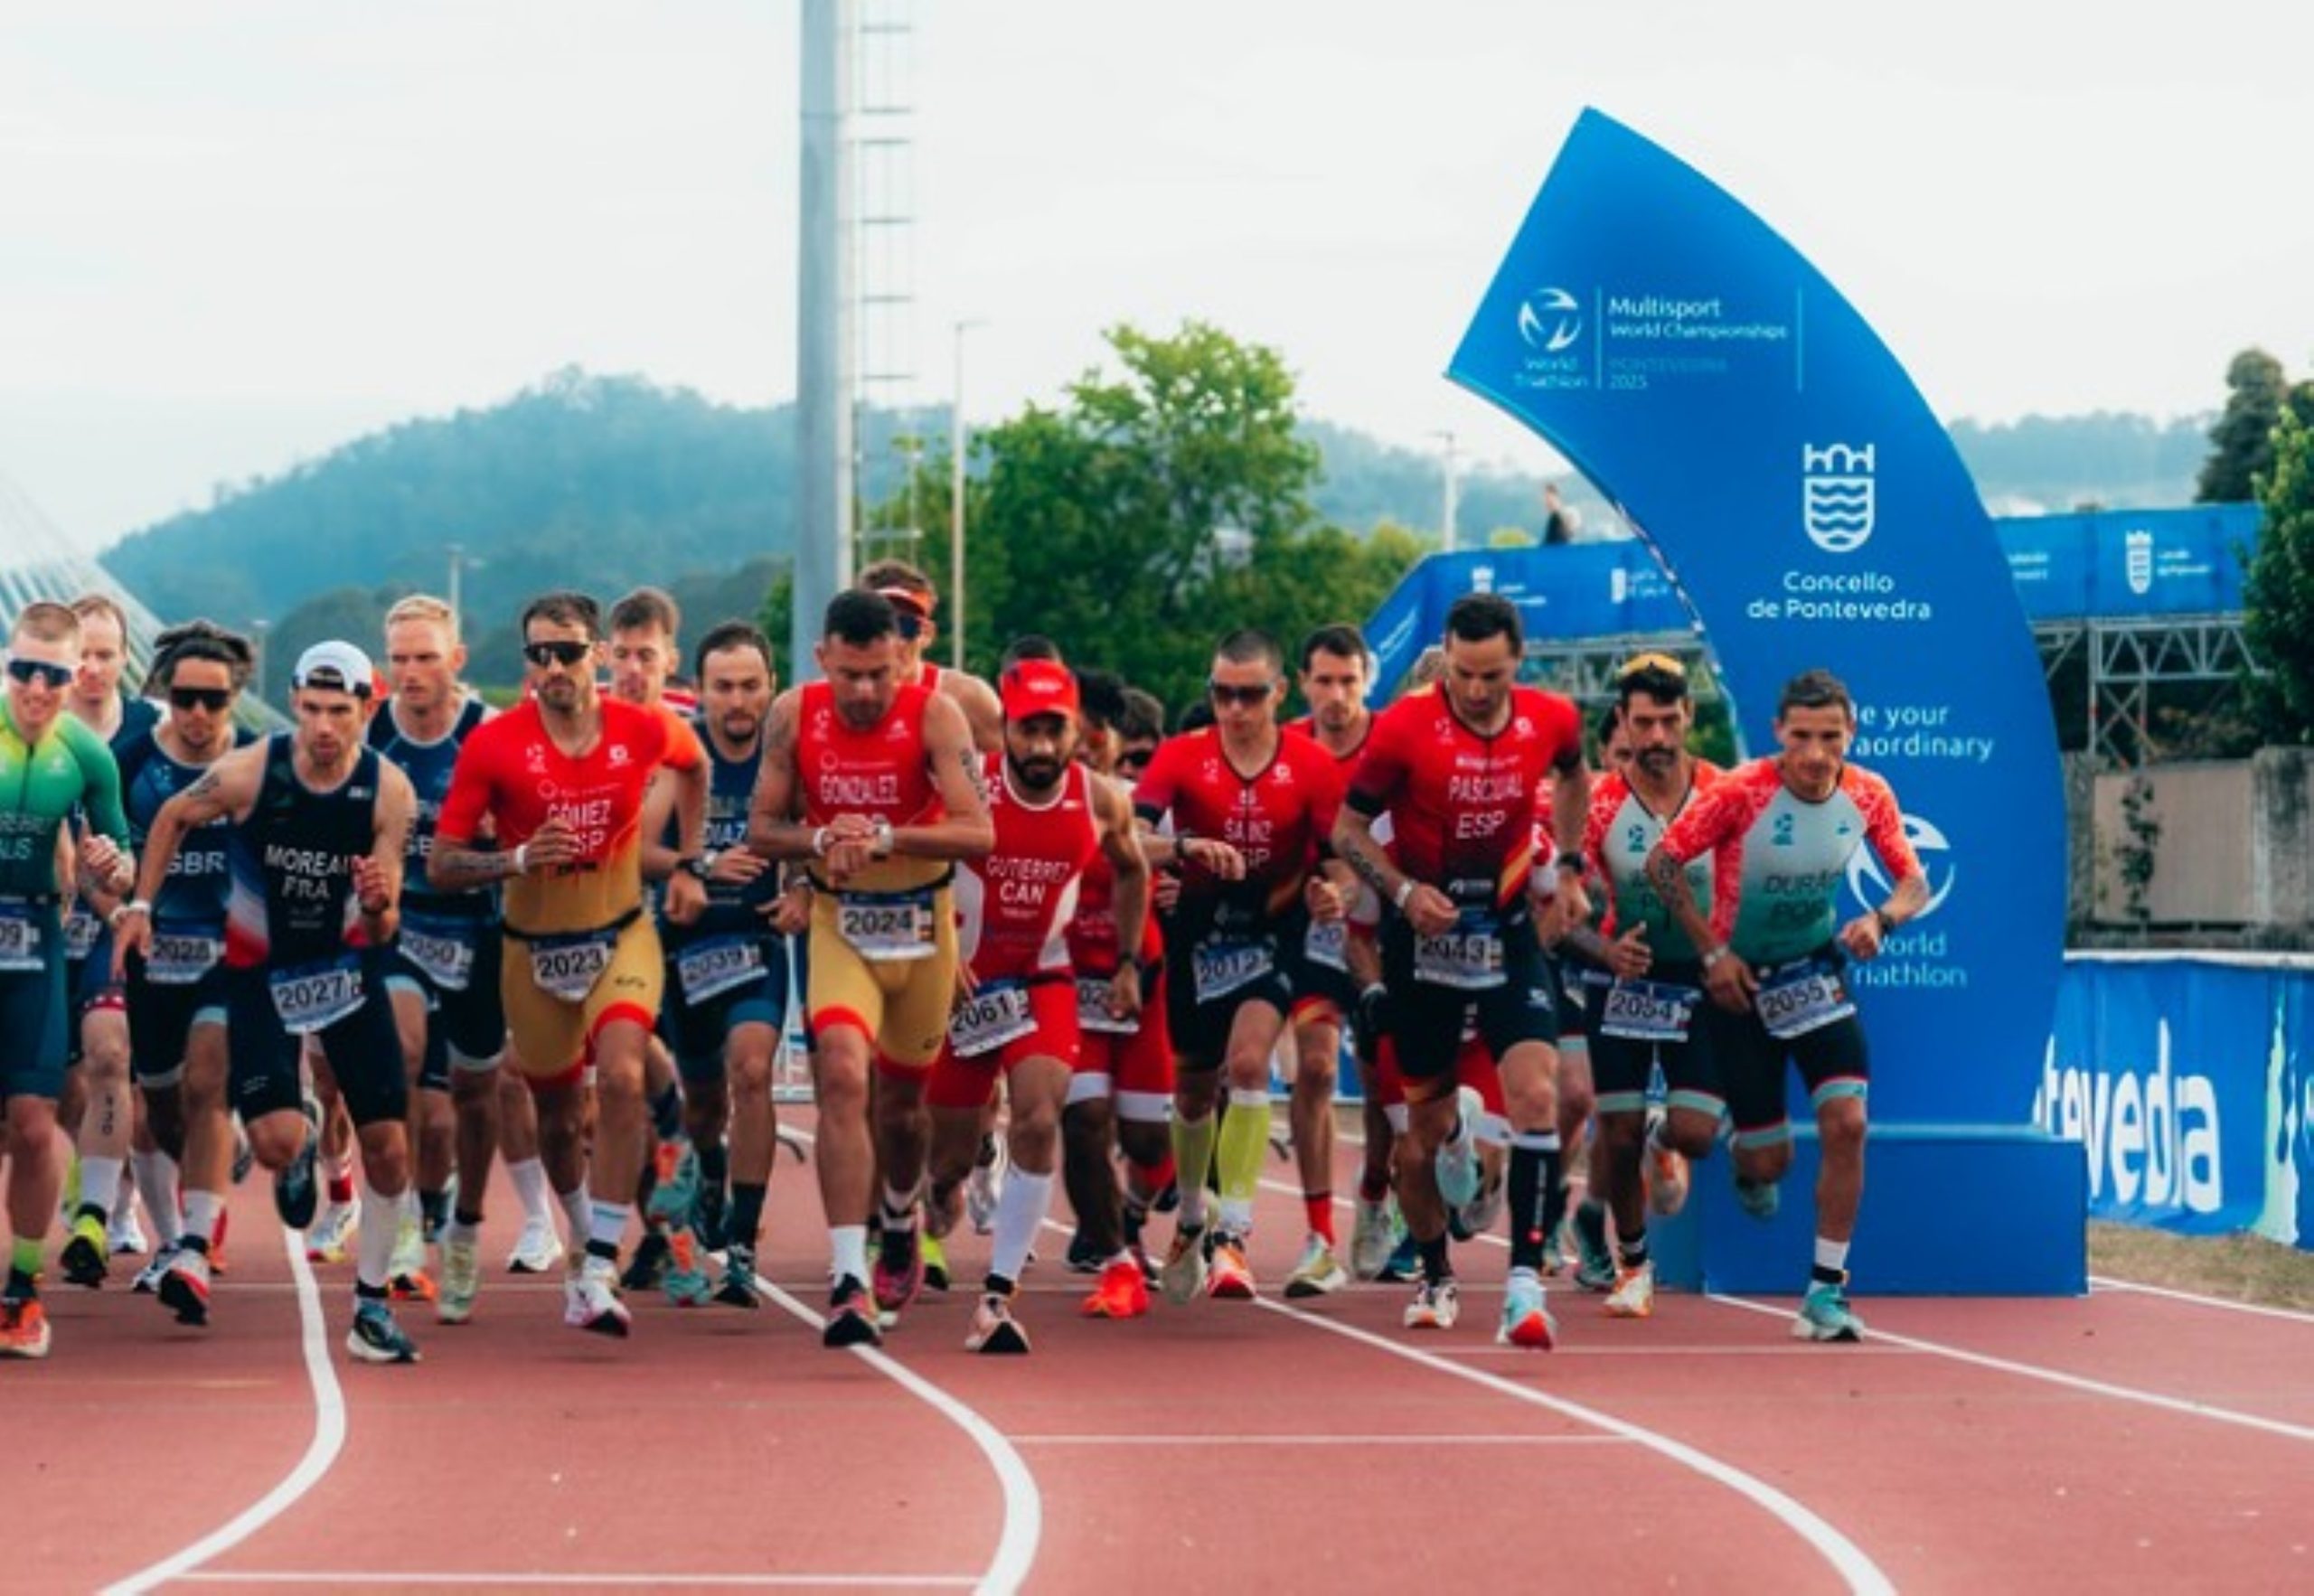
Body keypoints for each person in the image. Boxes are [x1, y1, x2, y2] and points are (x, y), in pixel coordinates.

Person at [120, 641, 425, 1363]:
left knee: (388, 1147)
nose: (324, 726)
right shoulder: (252, 771)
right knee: (276, 1142)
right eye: (312, 709)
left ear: (367, 710)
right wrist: (139, 903)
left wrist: (380, 905)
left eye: (339, 712)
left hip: (347, 974)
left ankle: (372, 1307)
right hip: (259, 973)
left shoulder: (389, 792)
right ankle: (304, 1130)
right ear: (294, 704)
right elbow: (170, 817)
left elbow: (388, 923)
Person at [430, 592, 711, 1338]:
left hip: (621, 934)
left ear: (598, 655)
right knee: (557, 1116)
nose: (552, 667)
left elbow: (697, 764)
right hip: (532, 951)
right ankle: (583, 1237)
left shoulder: (644, 727)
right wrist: (517, 857)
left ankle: (596, 1266)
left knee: (620, 1076)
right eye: (538, 654)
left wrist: (692, 862)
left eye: (568, 652)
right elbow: (441, 864)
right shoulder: (494, 746)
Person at [1332, 593, 1590, 1345]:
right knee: (1423, 1136)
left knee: (1539, 1095)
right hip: (1425, 946)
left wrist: (1569, 867)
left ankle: (1522, 1288)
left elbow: (1574, 776)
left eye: (1493, 676)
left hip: (1505, 933)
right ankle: (1438, 1276)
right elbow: (1349, 830)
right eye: (1463, 674)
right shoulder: (1405, 729)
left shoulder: (1553, 718)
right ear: (1445, 656)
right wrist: (1404, 892)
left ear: (1519, 661)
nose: (1476, 692)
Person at [745, 589, 993, 1347]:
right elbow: (763, 827)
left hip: (921, 927)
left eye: (879, 674)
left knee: (903, 1110)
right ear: (823, 659)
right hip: (840, 924)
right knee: (845, 1077)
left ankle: (897, 1213)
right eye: (849, 674)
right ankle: (849, 1277)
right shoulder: (793, 713)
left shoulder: (935, 715)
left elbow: (978, 831)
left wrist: (885, 837)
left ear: (903, 662)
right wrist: (822, 842)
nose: (863, 692)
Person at [1646, 668, 1925, 1343]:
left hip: (1814, 975)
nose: (1814, 754)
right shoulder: (1742, 791)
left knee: (1848, 1122)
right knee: (1768, 1163)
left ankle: (1825, 1296)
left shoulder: (1869, 793)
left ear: (1850, 735)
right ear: (1778, 733)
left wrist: (1881, 920)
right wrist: (1712, 953)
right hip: (1739, 987)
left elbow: (1913, 881)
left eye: (1830, 737)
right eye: (1800, 737)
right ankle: (1680, 1136)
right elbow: (1662, 863)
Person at [924, 658, 1149, 1351]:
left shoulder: (1102, 798)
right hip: (964, 982)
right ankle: (946, 1185)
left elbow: (1134, 867)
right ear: (1007, 730)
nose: (1043, 747)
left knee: (1042, 1114)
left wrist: (1131, 962)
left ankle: (996, 1298)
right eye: (1029, 730)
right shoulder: (968, 786)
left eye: (1056, 729)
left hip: (1042, 978)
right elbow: (916, 862)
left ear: (1076, 727)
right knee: (945, 1164)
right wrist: (940, 947)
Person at [1133, 628, 1352, 1304]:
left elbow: (1340, 853)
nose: (1235, 709)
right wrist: (1186, 848)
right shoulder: (1181, 757)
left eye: (1250, 695)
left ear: (1278, 693)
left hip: (1273, 934)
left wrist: (1333, 889)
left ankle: (1234, 1232)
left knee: (1253, 1063)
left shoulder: (1312, 765)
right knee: (1194, 1092)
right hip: (1199, 936)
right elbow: (1132, 838)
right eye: (1222, 694)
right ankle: (1194, 1220)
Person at [639, 620, 806, 1308]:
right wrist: (698, 864)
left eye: (749, 687)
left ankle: (740, 1244)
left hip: (757, 942)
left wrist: (802, 887)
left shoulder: (789, 754)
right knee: (702, 1104)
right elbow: (638, 851)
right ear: (699, 690)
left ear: (770, 686)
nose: (737, 702)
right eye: (722, 688)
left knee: (752, 1070)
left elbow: (813, 835)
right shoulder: (680, 756)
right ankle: (708, 1173)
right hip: (685, 949)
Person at [368, 594, 523, 1323]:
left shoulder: (491, 735)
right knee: (398, 1057)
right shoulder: (372, 735)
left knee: (467, 1101)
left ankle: (462, 1226)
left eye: (426, 658)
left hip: (479, 930)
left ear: (456, 660)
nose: (411, 673)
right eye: (399, 659)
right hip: (404, 924)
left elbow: (535, 827)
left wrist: (500, 837)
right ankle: (400, 1221)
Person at [1566, 654, 1730, 1319]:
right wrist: (1604, 949)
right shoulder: (1599, 803)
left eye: (1669, 720)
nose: (1658, 737)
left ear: (1689, 715)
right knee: (1618, 1130)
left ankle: (1669, 1141)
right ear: (1624, 727)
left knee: (1694, 1133)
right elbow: (1556, 903)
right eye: (1644, 724)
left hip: (1693, 982)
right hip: (1623, 981)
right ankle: (1633, 1265)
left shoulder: (1726, 793)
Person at [0, 603, 136, 1358]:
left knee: (31, 1121)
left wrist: (111, 868)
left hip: (33, 940)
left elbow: (118, 858)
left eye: (54, 674)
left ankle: (22, 1289)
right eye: (24, 670)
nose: (39, 689)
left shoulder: (87, 755)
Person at [106, 623, 254, 1314]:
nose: (198, 714)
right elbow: (92, 855)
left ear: (236, 698)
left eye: (214, 701)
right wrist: (119, 903)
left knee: (208, 1080)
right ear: (166, 693)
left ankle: (193, 1248)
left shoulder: (256, 763)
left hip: (229, 956)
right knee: (163, 1108)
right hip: (152, 955)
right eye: (185, 697)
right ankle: (193, 1212)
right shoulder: (130, 761)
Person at [55, 593, 162, 1278]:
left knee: (112, 1058)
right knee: (64, 1089)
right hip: (47, 923)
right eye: (81, 656)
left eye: (105, 654)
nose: (93, 669)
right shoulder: (33, 731)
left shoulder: (152, 729)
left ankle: (103, 1214)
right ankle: (98, 1181)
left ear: (127, 657)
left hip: (123, 925)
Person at [1277, 624, 1378, 1297]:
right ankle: (1319, 1238)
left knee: (1388, 1094)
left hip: (1387, 931)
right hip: (1309, 929)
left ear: (1366, 678)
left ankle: (1375, 1189)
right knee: (1314, 1068)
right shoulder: (1286, 747)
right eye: (1324, 682)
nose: (1336, 696)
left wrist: (1350, 889)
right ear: (1305, 682)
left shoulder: (1391, 746)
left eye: (1348, 681)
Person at [858, 559, 1004, 754]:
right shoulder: (839, 701)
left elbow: (1009, 775)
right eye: (879, 626)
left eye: (905, 626)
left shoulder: (966, 697)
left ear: (927, 633)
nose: (893, 641)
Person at [1541, 482, 1582, 546]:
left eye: (1547, 497)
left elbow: (1549, 542)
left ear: (1555, 497)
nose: (1545, 501)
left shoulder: (1557, 517)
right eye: (1545, 498)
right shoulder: (1554, 517)